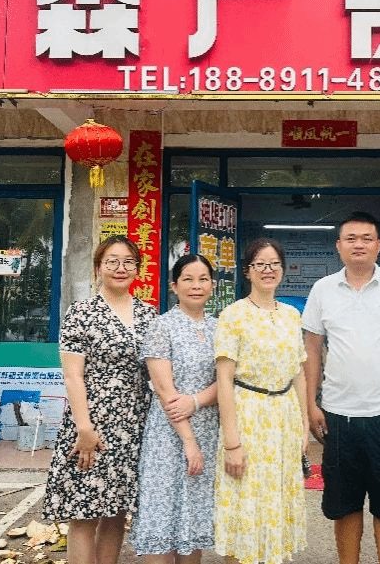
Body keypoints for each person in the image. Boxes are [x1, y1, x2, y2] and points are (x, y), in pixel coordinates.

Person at [301, 211, 380, 564]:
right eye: (351, 238)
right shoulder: (323, 289)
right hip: (338, 416)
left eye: (366, 238)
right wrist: (311, 404)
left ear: (378, 245)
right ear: (339, 246)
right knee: (344, 506)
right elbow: (311, 349)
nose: (359, 244)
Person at [43, 235, 157, 564]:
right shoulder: (81, 313)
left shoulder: (149, 315)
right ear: (99, 267)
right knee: (84, 512)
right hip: (91, 423)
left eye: (128, 262)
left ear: (137, 269)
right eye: (112, 262)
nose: (120, 268)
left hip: (133, 425)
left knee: (117, 510)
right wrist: (84, 428)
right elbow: (73, 375)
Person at [213, 238, 308, 564]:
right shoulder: (233, 315)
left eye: (274, 264)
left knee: (276, 503)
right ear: (247, 271)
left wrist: (304, 426)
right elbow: (224, 380)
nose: (268, 270)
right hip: (248, 417)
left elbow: (299, 372)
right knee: (245, 504)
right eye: (260, 264)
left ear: (283, 269)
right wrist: (232, 442)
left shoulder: (292, 315)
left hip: (285, 418)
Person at [130, 254, 219, 564]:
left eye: (203, 279)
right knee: (162, 513)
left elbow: (227, 381)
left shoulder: (220, 328)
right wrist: (189, 441)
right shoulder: (161, 326)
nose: (196, 286)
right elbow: (165, 390)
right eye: (188, 279)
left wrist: (196, 401)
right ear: (174, 286)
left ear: (212, 285)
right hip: (168, 436)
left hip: (208, 431)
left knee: (194, 514)